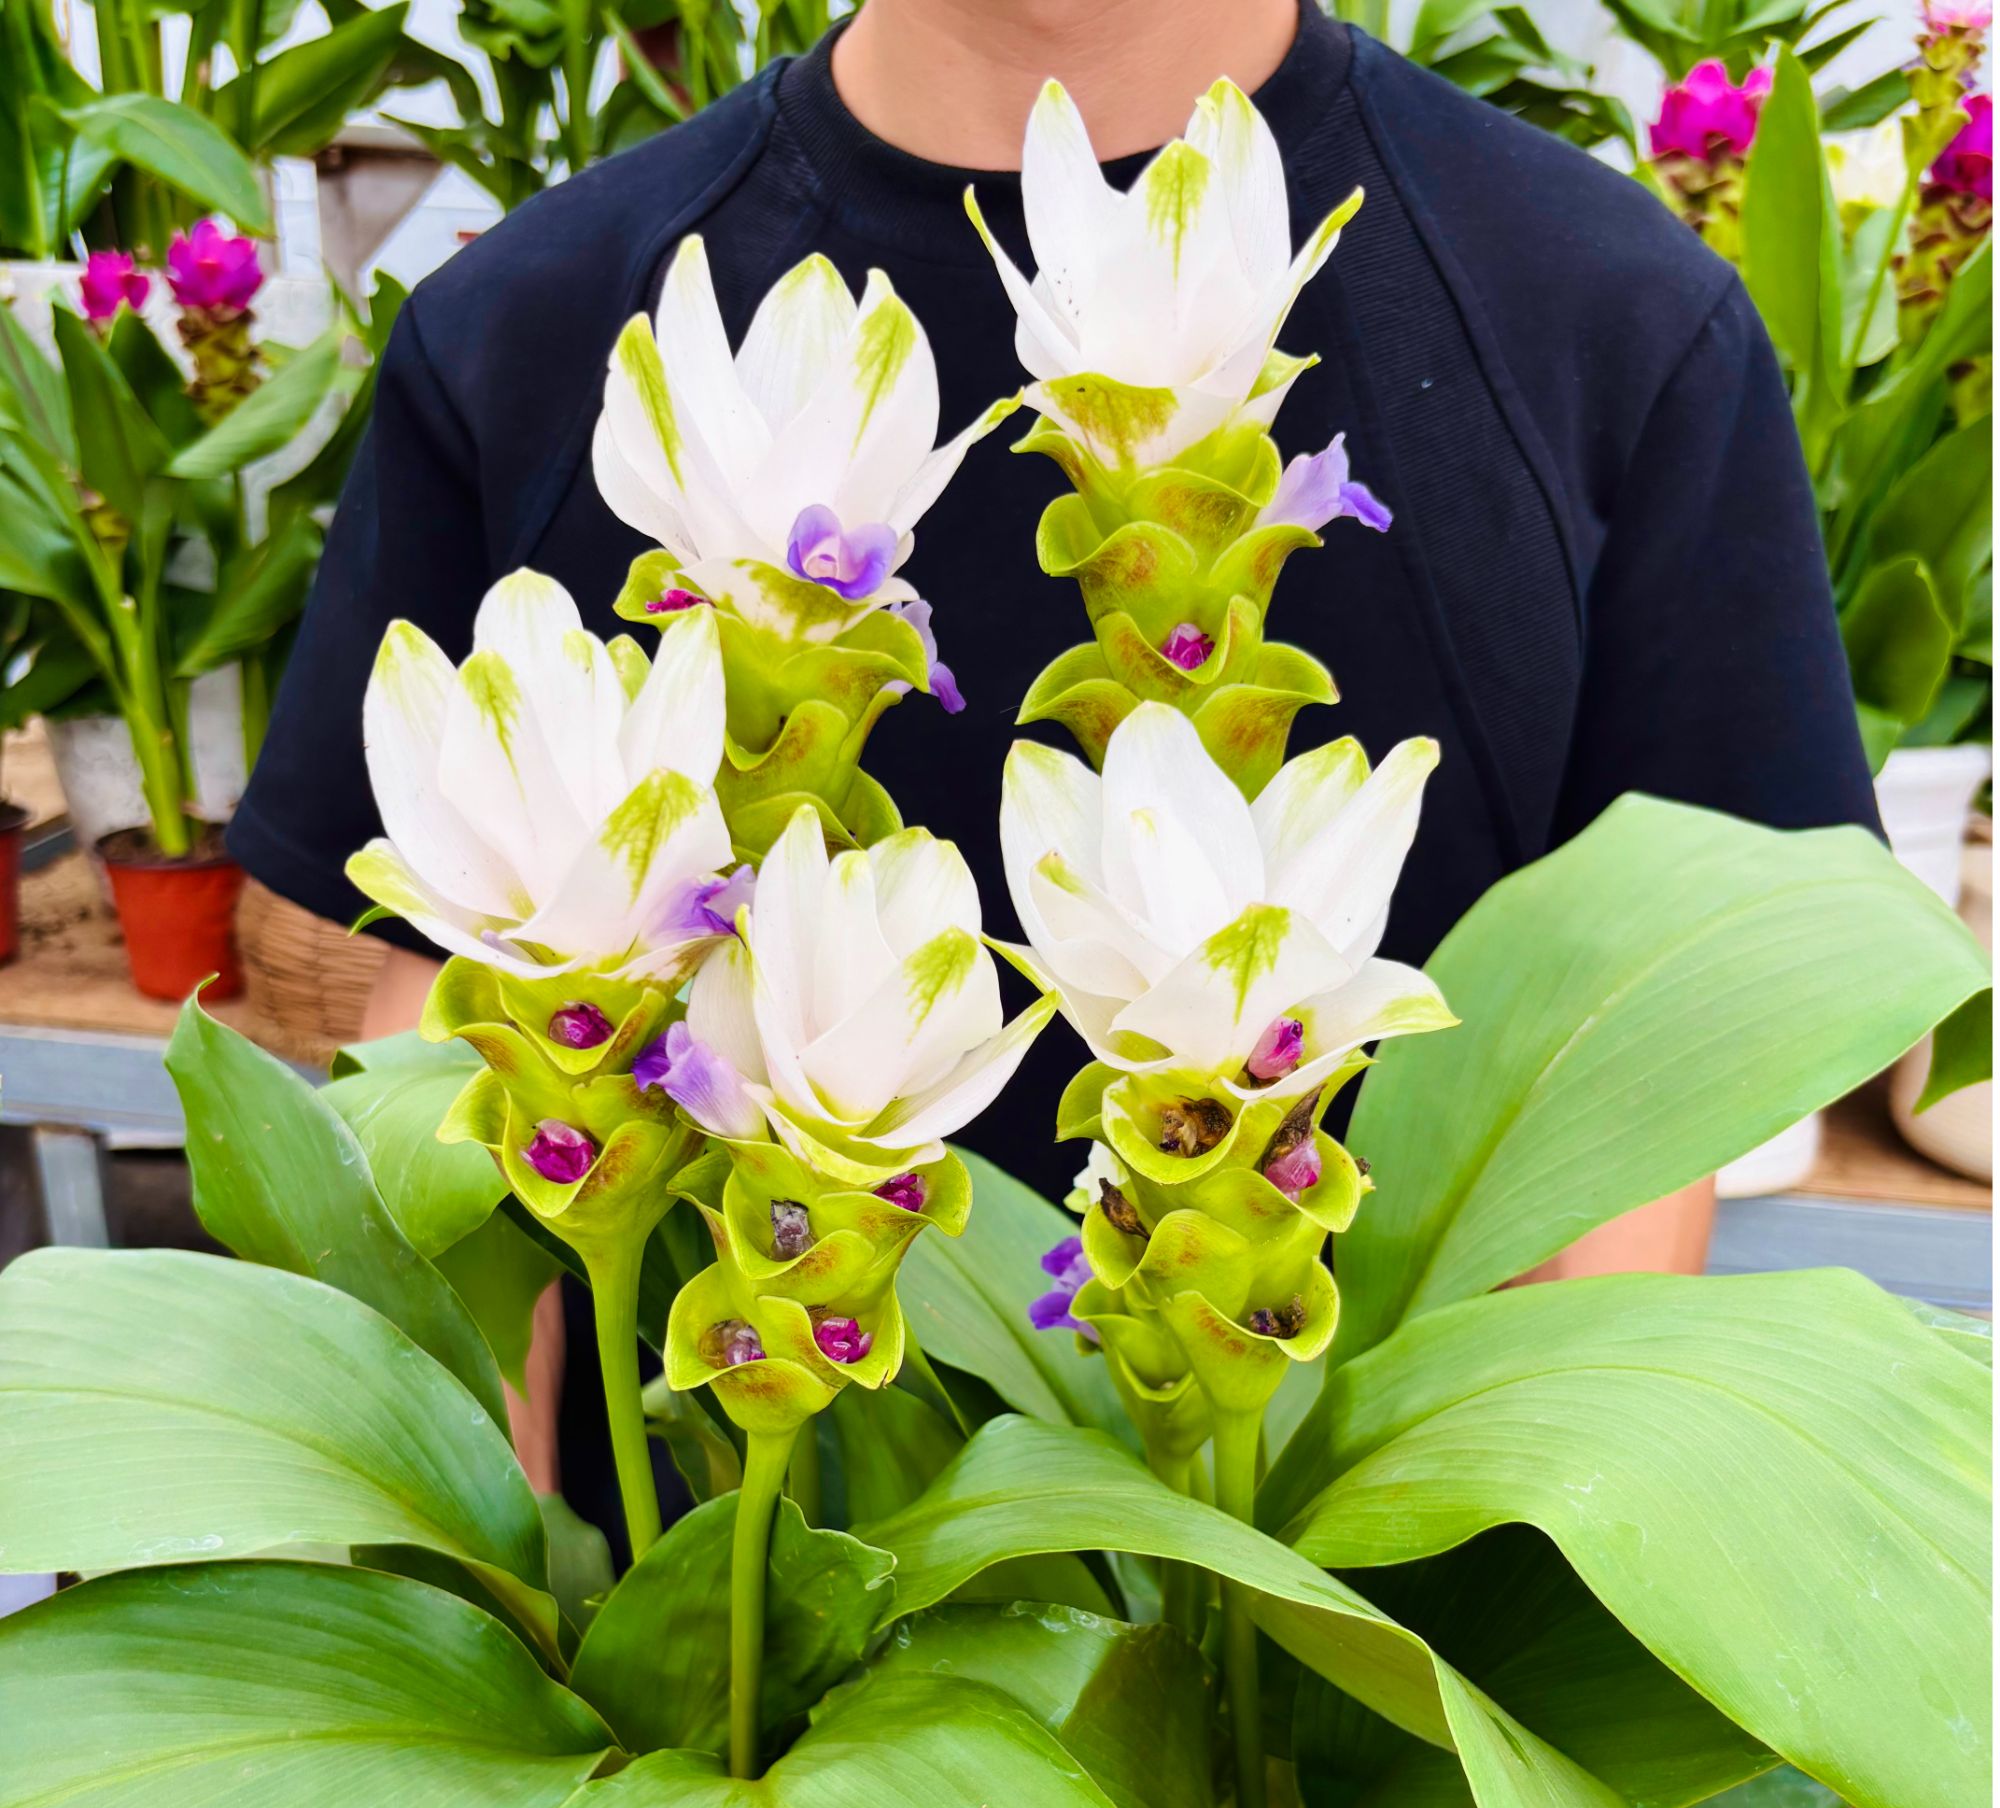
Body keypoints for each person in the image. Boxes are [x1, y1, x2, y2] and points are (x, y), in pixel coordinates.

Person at [228, 0, 1877, 1520]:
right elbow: (445, 1046)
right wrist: (532, 1620)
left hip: (1378, 1665)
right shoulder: (531, 335)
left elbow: (1649, 1072)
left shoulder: (1611, 327)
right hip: (704, 1669)